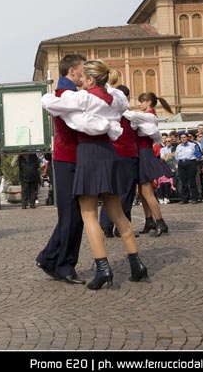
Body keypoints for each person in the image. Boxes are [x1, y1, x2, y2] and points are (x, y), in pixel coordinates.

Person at [41, 59, 148, 289]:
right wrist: (109, 125)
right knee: (118, 214)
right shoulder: (114, 98)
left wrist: (52, 98)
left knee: (88, 214)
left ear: (90, 79)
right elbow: (120, 105)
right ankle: (137, 265)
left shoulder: (83, 98)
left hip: (88, 156)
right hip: (110, 154)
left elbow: (57, 107)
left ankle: (103, 269)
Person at [36, 54, 87, 284]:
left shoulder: (70, 94)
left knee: (73, 216)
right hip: (68, 159)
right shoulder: (65, 95)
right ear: (73, 71)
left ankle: (49, 258)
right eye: (83, 70)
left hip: (72, 158)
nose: (85, 74)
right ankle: (64, 265)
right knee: (71, 216)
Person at [124, 92, 175, 235]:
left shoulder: (150, 116)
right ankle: (149, 221)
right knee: (142, 192)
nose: (139, 104)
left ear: (148, 102)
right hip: (141, 153)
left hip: (145, 153)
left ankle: (160, 222)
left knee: (147, 192)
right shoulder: (146, 116)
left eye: (141, 102)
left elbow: (131, 115)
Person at [99, 84, 140, 238]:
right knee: (126, 191)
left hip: (111, 155)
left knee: (111, 191)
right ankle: (122, 225)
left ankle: (106, 223)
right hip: (127, 155)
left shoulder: (107, 113)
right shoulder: (130, 115)